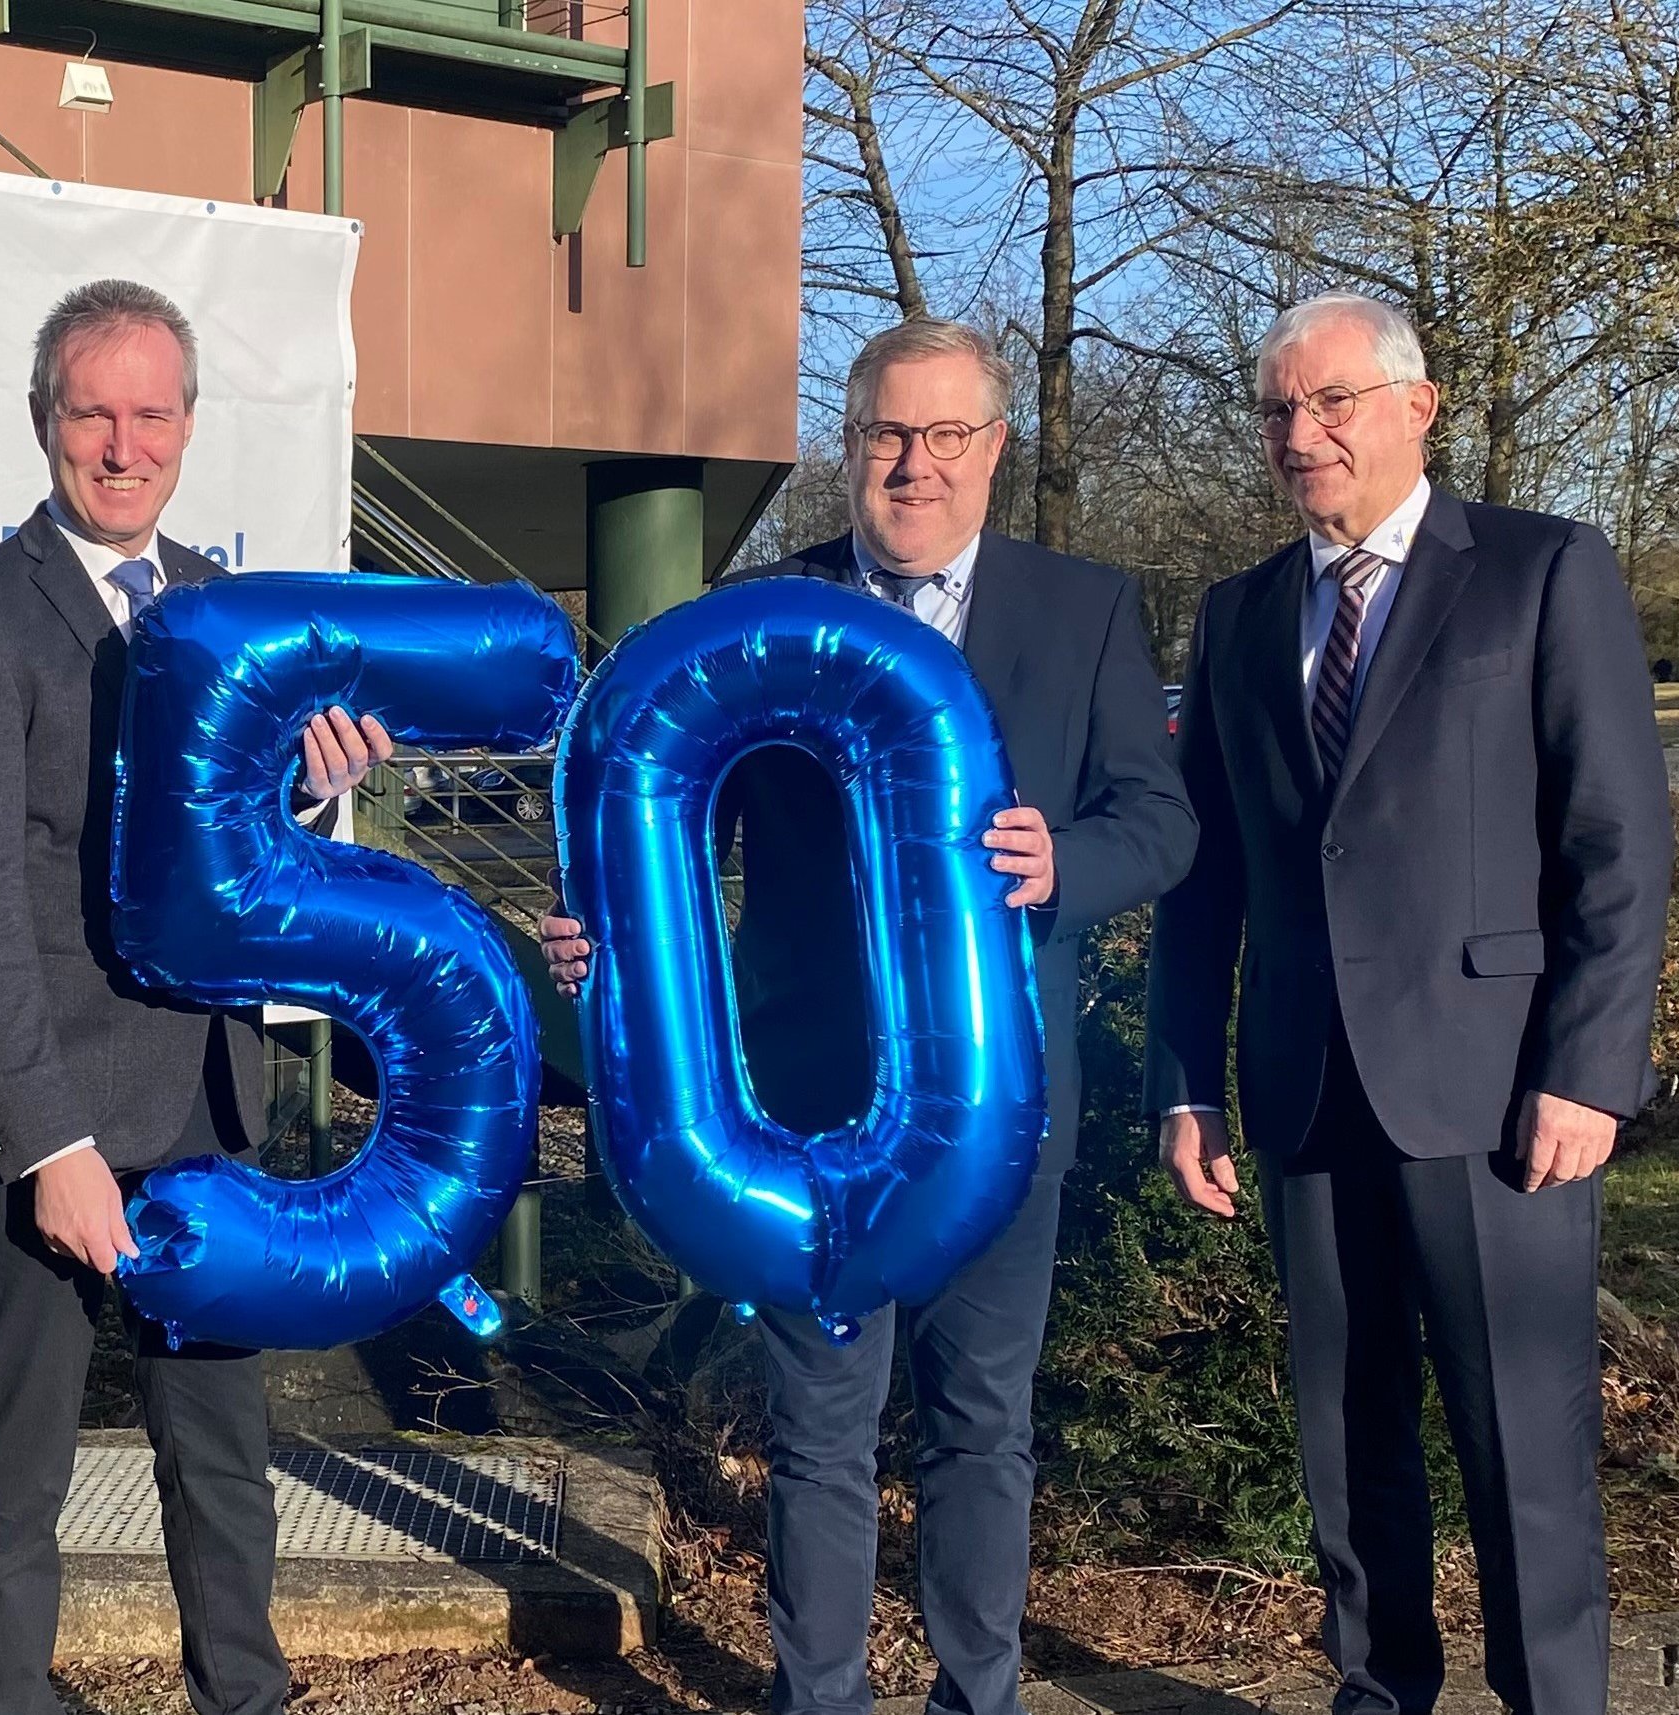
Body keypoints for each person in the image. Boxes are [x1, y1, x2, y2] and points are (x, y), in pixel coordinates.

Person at [544, 316, 1194, 1715]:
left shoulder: (1083, 610)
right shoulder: (764, 612)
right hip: (798, 1107)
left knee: (980, 1426)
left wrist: (1066, 864)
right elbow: (668, 826)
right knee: (822, 1436)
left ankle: (981, 1696)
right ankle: (818, 1700)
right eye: (889, 435)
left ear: (995, 448)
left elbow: (1160, 818)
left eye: (946, 435)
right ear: (850, 447)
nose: (916, 465)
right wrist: (607, 934)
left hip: (1005, 1118)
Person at [1146, 293, 1670, 1715]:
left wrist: (1590, 1069)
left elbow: (1616, 844)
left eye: (1331, 404)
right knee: (1346, 1427)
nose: (1301, 436)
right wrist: (1187, 1077)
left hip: (1501, 1093)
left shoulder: (1541, 572)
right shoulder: (1243, 615)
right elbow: (1205, 882)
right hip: (1312, 1090)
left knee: (1522, 1443)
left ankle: (1552, 1700)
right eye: (1277, 413)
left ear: (1416, 406)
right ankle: (1379, 1695)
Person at [0, 278, 391, 1715]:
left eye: (151, 413)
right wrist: (50, 1149)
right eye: (94, 412)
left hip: (204, 1111)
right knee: (17, 1469)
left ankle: (248, 1697)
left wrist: (309, 785)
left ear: (186, 425)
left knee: (224, 1462)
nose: (124, 444)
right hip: (38, 1135)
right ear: (46, 420)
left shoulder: (228, 613)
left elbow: (239, 862)